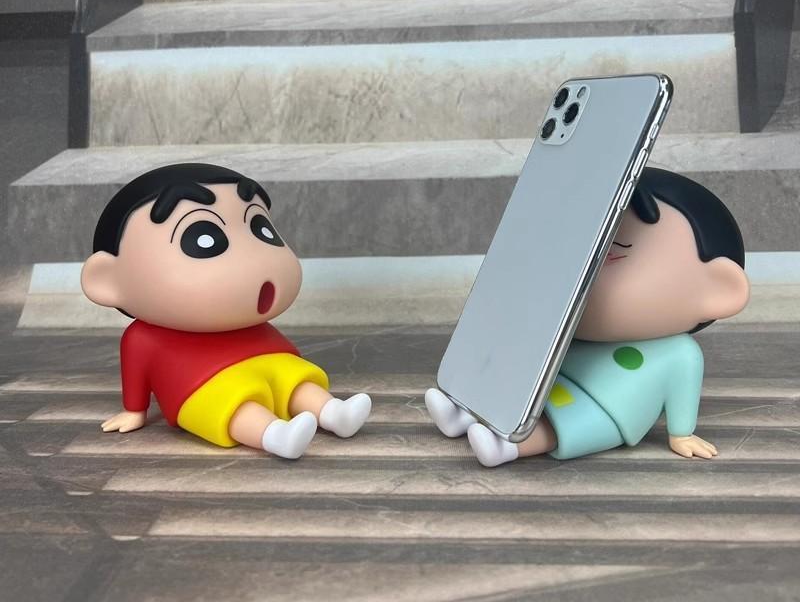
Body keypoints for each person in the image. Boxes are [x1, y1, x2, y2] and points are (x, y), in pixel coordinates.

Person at [426, 168, 750, 466]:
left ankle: (506, 448)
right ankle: (464, 413)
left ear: (718, 291)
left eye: (613, 253)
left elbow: (682, 391)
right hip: (553, 380)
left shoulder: (679, 353)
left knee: (564, 423)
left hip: (609, 407)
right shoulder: (571, 331)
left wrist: (681, 433)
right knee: (514, 386)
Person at [81, 163, 372, 460]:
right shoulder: (144, 337)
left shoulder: (250, 323)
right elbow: (136, 372)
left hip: (267, 360)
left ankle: (334, 413)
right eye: (203, 240)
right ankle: (275, 435)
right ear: (108, 281)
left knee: (296, 382)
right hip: (199, 385)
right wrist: (134, 411)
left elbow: (278, 350)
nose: (253, 256)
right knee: (234, 405)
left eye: (261, 228)